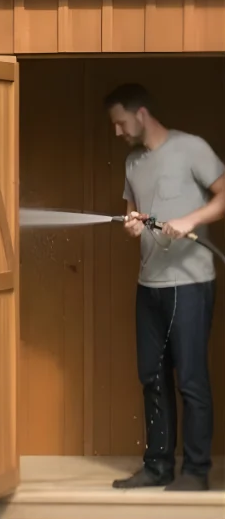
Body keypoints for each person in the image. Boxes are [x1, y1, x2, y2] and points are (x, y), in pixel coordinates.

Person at [104, 82, 225, 492]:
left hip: (190, 283)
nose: (117, 132)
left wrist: (191, 220)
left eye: (121, 123)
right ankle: (157, 467)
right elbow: (131, 217)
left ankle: (195, 472)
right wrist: (133, 224)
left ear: (140, 115)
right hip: (149, 284)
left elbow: (224, 195)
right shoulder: (133, 163)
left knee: (190, 378)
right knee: (151, 376)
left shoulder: (191, 148)